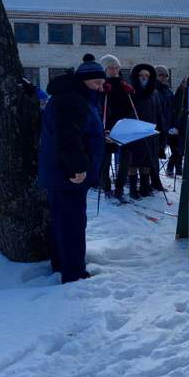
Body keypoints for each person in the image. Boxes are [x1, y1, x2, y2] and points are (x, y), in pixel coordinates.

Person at [39, 56, 106, 284]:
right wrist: (77, 168)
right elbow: (67, 137)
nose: (101, 87)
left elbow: (79, 131)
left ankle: (62, 264)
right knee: (71, 224)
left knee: (64, 220)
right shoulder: (71, 100)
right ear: (84, 81)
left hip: (63, 172)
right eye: (96, 82)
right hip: (68, 174)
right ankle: (74, 274)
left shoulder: (78, 98)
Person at [100, 55, 135, 202]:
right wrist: (102, 91)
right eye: (111, 67)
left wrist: (130, 92)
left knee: (125, 159)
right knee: (105, 160)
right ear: (105, 69)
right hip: (106, 126)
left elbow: (130, 107)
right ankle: (106, 188)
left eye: (116, 67)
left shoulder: (123, 84)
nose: (114, 70)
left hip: (123, 126)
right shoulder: (101, 84)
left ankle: (119, 188)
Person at [128, 64, 164, 198]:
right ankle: (132, 188)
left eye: (147, 76)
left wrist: (160, 129)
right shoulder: (130, 91)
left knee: (147, 161)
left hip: (150, 131)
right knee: (134, 162)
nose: (144, 78)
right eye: (141, 75)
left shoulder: (154, 92)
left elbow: (158, 112)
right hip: (134, 132)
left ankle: (144, 186)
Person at [154, 65, 176, 177]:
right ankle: (154, 179)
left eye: (166, 75)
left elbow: (173, 109)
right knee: (155, 154)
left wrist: (173, 125)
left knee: (175, 151)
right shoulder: (152, 90)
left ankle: (166, 171)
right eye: (161, 75)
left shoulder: (168, 90)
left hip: (168, 126)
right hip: (156, 127)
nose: (163, 77)